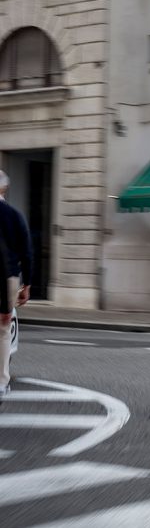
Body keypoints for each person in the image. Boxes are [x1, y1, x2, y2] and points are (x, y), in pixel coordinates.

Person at [0, 169, 33, 397]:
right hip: (8, 277)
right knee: (3, 330)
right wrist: (27, 284)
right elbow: (27, 252)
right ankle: (1, 382)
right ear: (5, 188)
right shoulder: (14, 215)